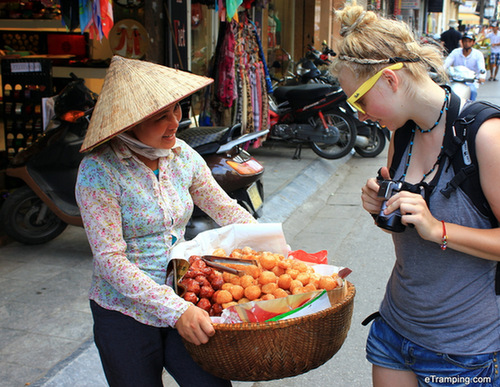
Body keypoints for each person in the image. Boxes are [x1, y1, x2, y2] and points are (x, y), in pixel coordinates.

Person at [331, 5, 500, 387]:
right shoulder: (402, 135)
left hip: (464, 350)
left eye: (359, 100)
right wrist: (382, 211)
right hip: (394, 330)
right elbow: (406, 235)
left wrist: (437, 227)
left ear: (390, 80)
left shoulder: (485, 136)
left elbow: (433, 229)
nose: (359, 115)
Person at [75, 56, 258, 387]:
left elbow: (225, 208)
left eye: (177, 109)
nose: (174, 121)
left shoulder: (182, 155)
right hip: (124, 311)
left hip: (186, 292)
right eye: (160, 116)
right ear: (127, 124)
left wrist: (268, 246)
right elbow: (109, 260)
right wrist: (176, 311)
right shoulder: (99, 171)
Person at [444, 32, 486, 100]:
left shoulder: (478, 54)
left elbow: (481, 68)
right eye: (465, 41)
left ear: (473, 43)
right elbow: (446, 63)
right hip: (455, 80)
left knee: (473, 92)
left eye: (469, 41)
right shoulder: (455, 52)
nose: (467, 43)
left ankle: (470, 108)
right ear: (462, 42)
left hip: (470, 82)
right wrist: (440, 70)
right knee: (445, 93)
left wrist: (482, 77)